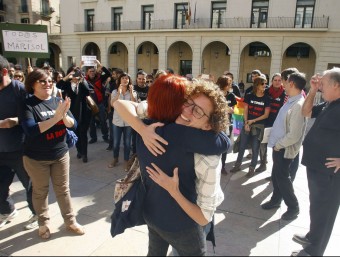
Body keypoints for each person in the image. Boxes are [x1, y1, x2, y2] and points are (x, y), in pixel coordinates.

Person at [113, 75, 230, 256]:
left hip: (151, 215)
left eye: (197, 110)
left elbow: (120, 104)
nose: (187, 110)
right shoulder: (182, 135)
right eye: (186, 101)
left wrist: (141, 128)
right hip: (181, 225)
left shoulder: (148, 123)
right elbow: (224, 143)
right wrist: (174, 191)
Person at [19, 69, 85, 239]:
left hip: (60, 154)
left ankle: (70, 221)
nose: (48, 84)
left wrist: (63, 115)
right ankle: (43, 224)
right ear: (32, 84)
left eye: (50, 81)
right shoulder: (27, 104)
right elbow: (32, 130)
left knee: (63, 189)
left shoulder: (58, 101)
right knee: (40, 191)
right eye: (42, 81)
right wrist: (56, 117)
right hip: (36, 158)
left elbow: (73, 124)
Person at [291, 68, 340, 257]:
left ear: (336, 85)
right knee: (316, 206)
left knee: (325, 212)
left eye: (324, 84)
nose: (320, 87)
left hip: (330, 172)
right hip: (316, 167)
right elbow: (306, 112)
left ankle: (314, 251)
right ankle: (313, 236)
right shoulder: (330, 103)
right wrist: (311, 90)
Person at [261, 72, 307, 221]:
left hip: (284, 148)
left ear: (292, 84)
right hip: (279, 147)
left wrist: (279, 145)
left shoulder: (299, 104)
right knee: (277, 176)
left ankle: (293, 207)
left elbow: (294, 134)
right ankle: (275, 200)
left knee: (283, 179)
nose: (283, 85)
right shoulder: (291, 101)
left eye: (285, 82)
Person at [0, 55, 37, 230]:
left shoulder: (19, 90)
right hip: (1, 150)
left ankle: (37, 213)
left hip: (21, 148)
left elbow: (34, 115)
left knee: (30, 185)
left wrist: (15, 120)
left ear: (4, 72)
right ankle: (7, 210)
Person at [229, 76, 270, 177]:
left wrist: (253, 121)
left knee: (255, 148)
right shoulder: (249, 95)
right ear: (257, 84)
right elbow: (245, 110)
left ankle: (252, 168)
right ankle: (237, 165)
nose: (265, 85)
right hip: (247, 124)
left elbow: (266, 115)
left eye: (265, 83)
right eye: (263, 83)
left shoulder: (267, 98)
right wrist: (247, 122)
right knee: (242, 146)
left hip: (258, 126)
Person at [57, 66, 93, 163]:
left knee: (83, 134)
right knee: (76, 133)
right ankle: (79, 151)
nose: (75, 76)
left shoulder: (82, 83)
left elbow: (88, 91)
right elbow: (58, 85)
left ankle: (85, 154)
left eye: (77, 73)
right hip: (72, 113)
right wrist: (68, 76)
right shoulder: (67, 84)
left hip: (84, 112)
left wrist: (82, 79)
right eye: (74, 74)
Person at [256, 73, 286, 173]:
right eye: (275, 80)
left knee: (276, 148)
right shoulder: (267, 91)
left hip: (279, 123)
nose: (277, 82)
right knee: (262, 144)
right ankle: (263, 163)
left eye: (279, 80)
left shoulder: (285, 93)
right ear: (271, 81)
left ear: (282, 82)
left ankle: (275, 170)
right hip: (265, 122)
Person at [108, 72, 137, 171]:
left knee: (127, 143)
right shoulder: (115, 92)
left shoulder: (133, 92)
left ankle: (126, 161)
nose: (125, 80)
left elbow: (135, 105)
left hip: (128, 121)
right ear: (119, 80)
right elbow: (112, 104)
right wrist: (119, 93)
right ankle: (115, 159)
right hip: (117, 121)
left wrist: (132, 93)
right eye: (123, 78)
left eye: (127, 78)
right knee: (116, 143)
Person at [216, 75, 237, 174]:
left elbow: (233, 110)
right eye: (229, 84)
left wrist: (226, 107)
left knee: (224, 145)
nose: (230, 86)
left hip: (226, 124)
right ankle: (215, 166)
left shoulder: (231, 96)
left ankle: (223, 166)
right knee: (216, 145)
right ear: (223, 84)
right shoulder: (215, 94)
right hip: (215, 124)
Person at [87, 60, 111, 144]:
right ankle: (93, 138)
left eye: (93, 71)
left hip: (100, 103)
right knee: (91, 123)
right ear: (87, 72)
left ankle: (105, 137)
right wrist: (81, 65)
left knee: (103, 121)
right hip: (89, 105)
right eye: (90, 71)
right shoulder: (84, 80)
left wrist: (100, 65)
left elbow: (108, 74)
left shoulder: (99, 78)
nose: (92, 73)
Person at [105, 68, 124, 151]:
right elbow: (109, 97)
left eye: (114, 74)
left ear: (119, 74)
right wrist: (109, 108)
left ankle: (126, 145)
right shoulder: (112, 84)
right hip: (113, 110)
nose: (112, 76)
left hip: (123, 111)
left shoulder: (125, 84)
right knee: (112, 129)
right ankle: (111, 144)